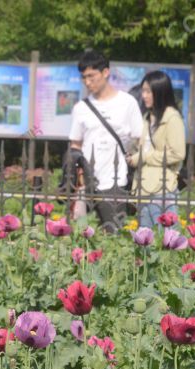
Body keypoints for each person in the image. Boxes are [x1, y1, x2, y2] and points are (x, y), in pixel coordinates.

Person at [68, 50, 143, 233]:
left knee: (114, 236)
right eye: (84, 78)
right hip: (86, 182)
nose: (87, 82)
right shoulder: (81, 108)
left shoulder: (128, 103)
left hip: (116, 182)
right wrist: (79, 180)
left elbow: (140, 140)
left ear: (106, 72)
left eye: (91, 76)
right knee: (79, 238)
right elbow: (75, 145)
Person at [128, 70, 186, 228]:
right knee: (145, 244)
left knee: (168, 240)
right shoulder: (148, 117)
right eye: (143, 91)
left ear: (160, 92)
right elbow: (143, 148)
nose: (144, 95)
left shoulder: (172, 118)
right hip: (143, 186)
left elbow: (178, 153)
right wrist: (133, 157)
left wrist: (145, 157)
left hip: (162, 188)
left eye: (148, 91)